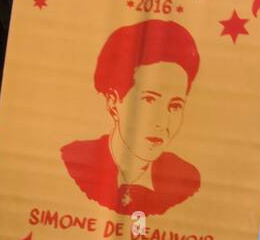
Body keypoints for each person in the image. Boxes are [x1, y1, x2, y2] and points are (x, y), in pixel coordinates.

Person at [60, 19, 202, 216]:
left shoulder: (188, 183)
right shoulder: (74, 163)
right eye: (149, 100)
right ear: (113, 101)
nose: (162, 122)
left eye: (175, 105)